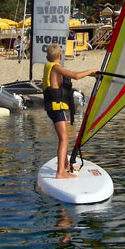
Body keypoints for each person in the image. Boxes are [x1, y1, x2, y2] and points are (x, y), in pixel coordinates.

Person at [43, 44, 99, 179]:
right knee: (64, 139)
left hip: (52, 108)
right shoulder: (56, 68)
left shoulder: (48, 66)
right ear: (60, 56)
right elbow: (76, 76)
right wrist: (91, 71)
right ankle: (60, 172)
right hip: (57, 108)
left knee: (63, 138)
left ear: (47, 57)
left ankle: (66, 166)